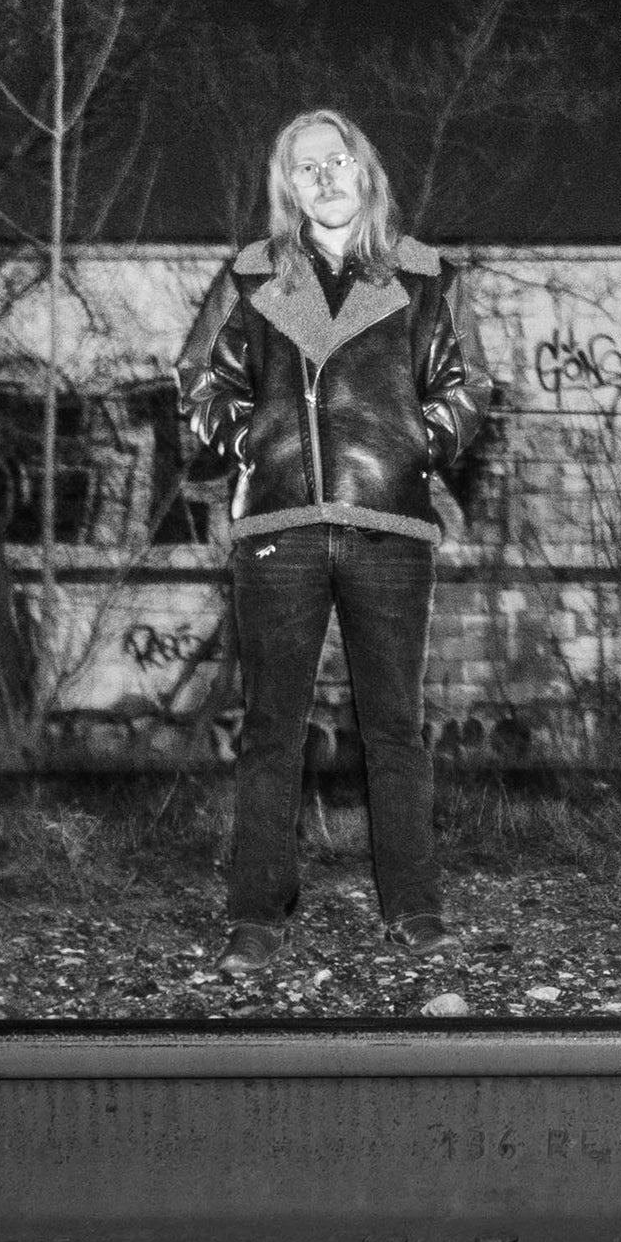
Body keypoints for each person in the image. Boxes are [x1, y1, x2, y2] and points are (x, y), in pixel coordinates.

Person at [176, 109, 486, 972]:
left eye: (338, 160)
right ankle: (256, 917)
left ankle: (415, 909)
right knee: (271, 732)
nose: (324, 177)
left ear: (365, 171)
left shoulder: (427, 276)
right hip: (279, 527)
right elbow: (199, 379)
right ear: (289, 187)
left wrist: (414, 446)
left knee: (395, 731)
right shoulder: (250, 276)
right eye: (305, 167)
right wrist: (256, 442)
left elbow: (467, 386)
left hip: (390, 526)